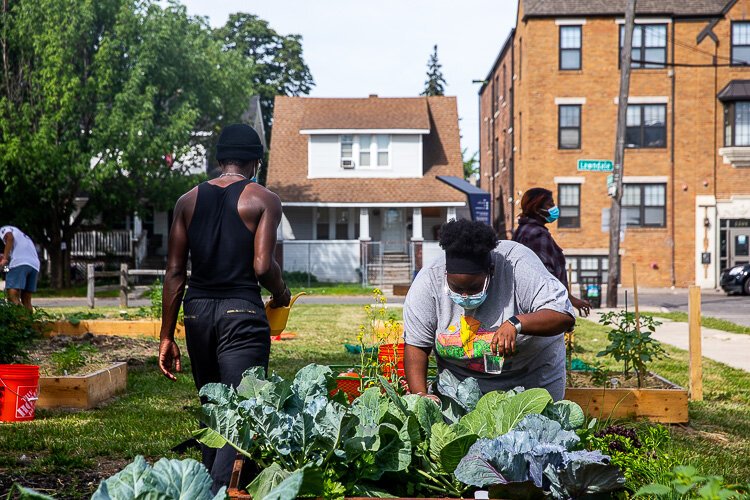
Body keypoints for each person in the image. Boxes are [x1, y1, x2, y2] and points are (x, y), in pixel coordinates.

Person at [158, 123, 290, 491]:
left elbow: (173, 272)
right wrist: (281, 293)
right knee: (239, 413)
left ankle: (209, 486)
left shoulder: (186, 201)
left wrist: (166, 336)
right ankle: (218, 491)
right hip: (241, 314)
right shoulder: (263, 199)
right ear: (256, 162)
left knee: (215, 409)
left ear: (219, 160)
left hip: (197, 313)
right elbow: (263, 266)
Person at [403, 219, 575, 402]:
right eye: (456, 288)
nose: (465, 295)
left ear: (491, 271)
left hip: (531, 380)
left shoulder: (517, 265)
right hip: (463, 387)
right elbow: (416, 344)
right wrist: (420, 395)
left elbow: (563, 316)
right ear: (446, 275)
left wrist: (517, 323)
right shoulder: (428, 282)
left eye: (474, 288)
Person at [512, 187, 591, 316]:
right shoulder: (537, 235)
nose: (554, 208)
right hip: (545, 307)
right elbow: (546, 277)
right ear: (536, 208)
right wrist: (567, 302)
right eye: (550, 204)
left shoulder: (523, 230)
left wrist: (571, 299)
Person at [0, 226, 40, 311]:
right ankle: (29, 322)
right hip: (34, 265)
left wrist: (4, 259)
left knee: (12, 296)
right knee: (26, 300)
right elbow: (8, 264)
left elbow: (10, 238)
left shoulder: (4, 229)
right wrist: (5, 270)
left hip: (20, 262)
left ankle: (20, 321)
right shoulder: (21, 235)